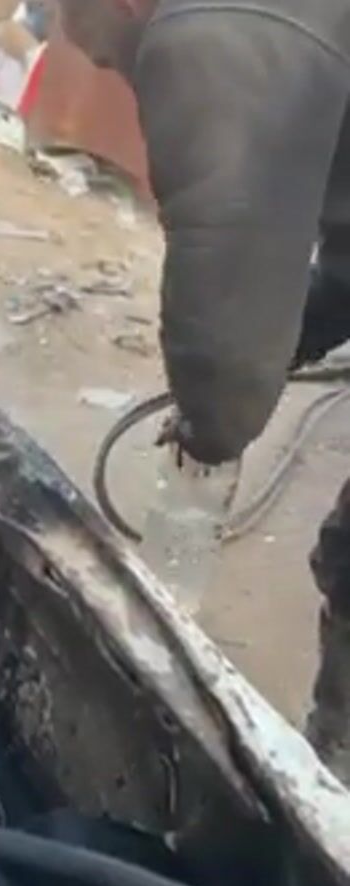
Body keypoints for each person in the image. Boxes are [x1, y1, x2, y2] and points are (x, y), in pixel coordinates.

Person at [57, 0, 350, 785]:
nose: (131, 82)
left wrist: (209, 427)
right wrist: (297, 338)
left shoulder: (208, 37)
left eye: (117, 59)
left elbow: (226, 299)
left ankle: (331, 792)